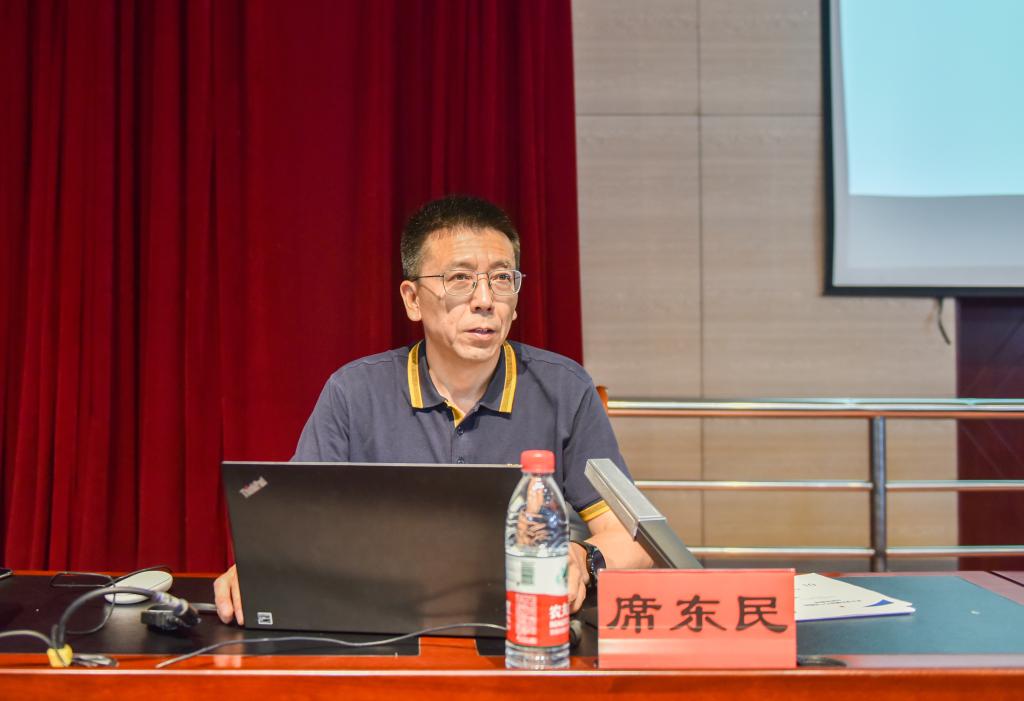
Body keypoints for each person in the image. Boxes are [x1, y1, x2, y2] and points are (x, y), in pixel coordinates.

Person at [214, 194, 652, 624]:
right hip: (381, 626)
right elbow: (295, 527)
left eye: (502, 278)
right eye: (460, 278)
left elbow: (636, 538)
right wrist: (259, 567)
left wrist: (581, 557)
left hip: (522, 628)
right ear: (412, 299)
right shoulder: (355, 392)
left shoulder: (564, 389)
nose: (485, 300)